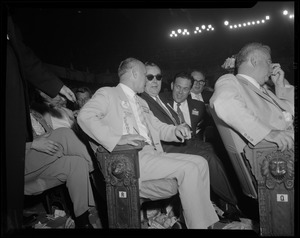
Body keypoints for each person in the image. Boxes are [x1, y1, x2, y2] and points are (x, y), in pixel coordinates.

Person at [77, 57, 219, 229]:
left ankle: (204, 222)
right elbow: (85, 116)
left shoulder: (141, 101)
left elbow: (157, 127)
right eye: (145, 75)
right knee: (189, 169)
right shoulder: (108, 93)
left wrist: (175, 130)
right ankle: (198, 227)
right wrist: (116, 139)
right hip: (131, 159)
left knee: (201, 163)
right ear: (135, 73)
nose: (147, 80)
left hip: (152, 154)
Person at [4, 14, 76, 234]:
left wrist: (56, 84)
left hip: (27, 149)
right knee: (64, 136)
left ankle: (83, 215)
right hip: (32, 151)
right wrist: (34, 144)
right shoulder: (39, 111)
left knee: (74, 161)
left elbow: (23, 55)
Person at [140, 63, 238, 213]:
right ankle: (230, 203)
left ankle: (215, 201)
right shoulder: (145, 100)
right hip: (168, 146)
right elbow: (160, 129)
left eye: (158, 77)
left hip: (183, 140)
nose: (155, 81)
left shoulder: (163, 100)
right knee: (208, 157)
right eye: (150, 77)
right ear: (172, 85)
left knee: (213, 149)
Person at [210, 42, 294, 152]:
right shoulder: (230, 80)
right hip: (275, 152)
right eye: (269, 62)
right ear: (254, 61)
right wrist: (266, 133)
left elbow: (290, 110)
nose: (272, 67)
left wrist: (280, 86)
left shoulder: (266, 89)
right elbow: (222, 102)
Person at [26, 109, 95, 228]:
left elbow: (51, 136)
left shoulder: (34, 113)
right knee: (64, 134)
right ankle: (102, 174)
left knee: (77, 163)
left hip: (40, 163)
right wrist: (32, 144)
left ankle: (83, 220)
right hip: (16, 163)